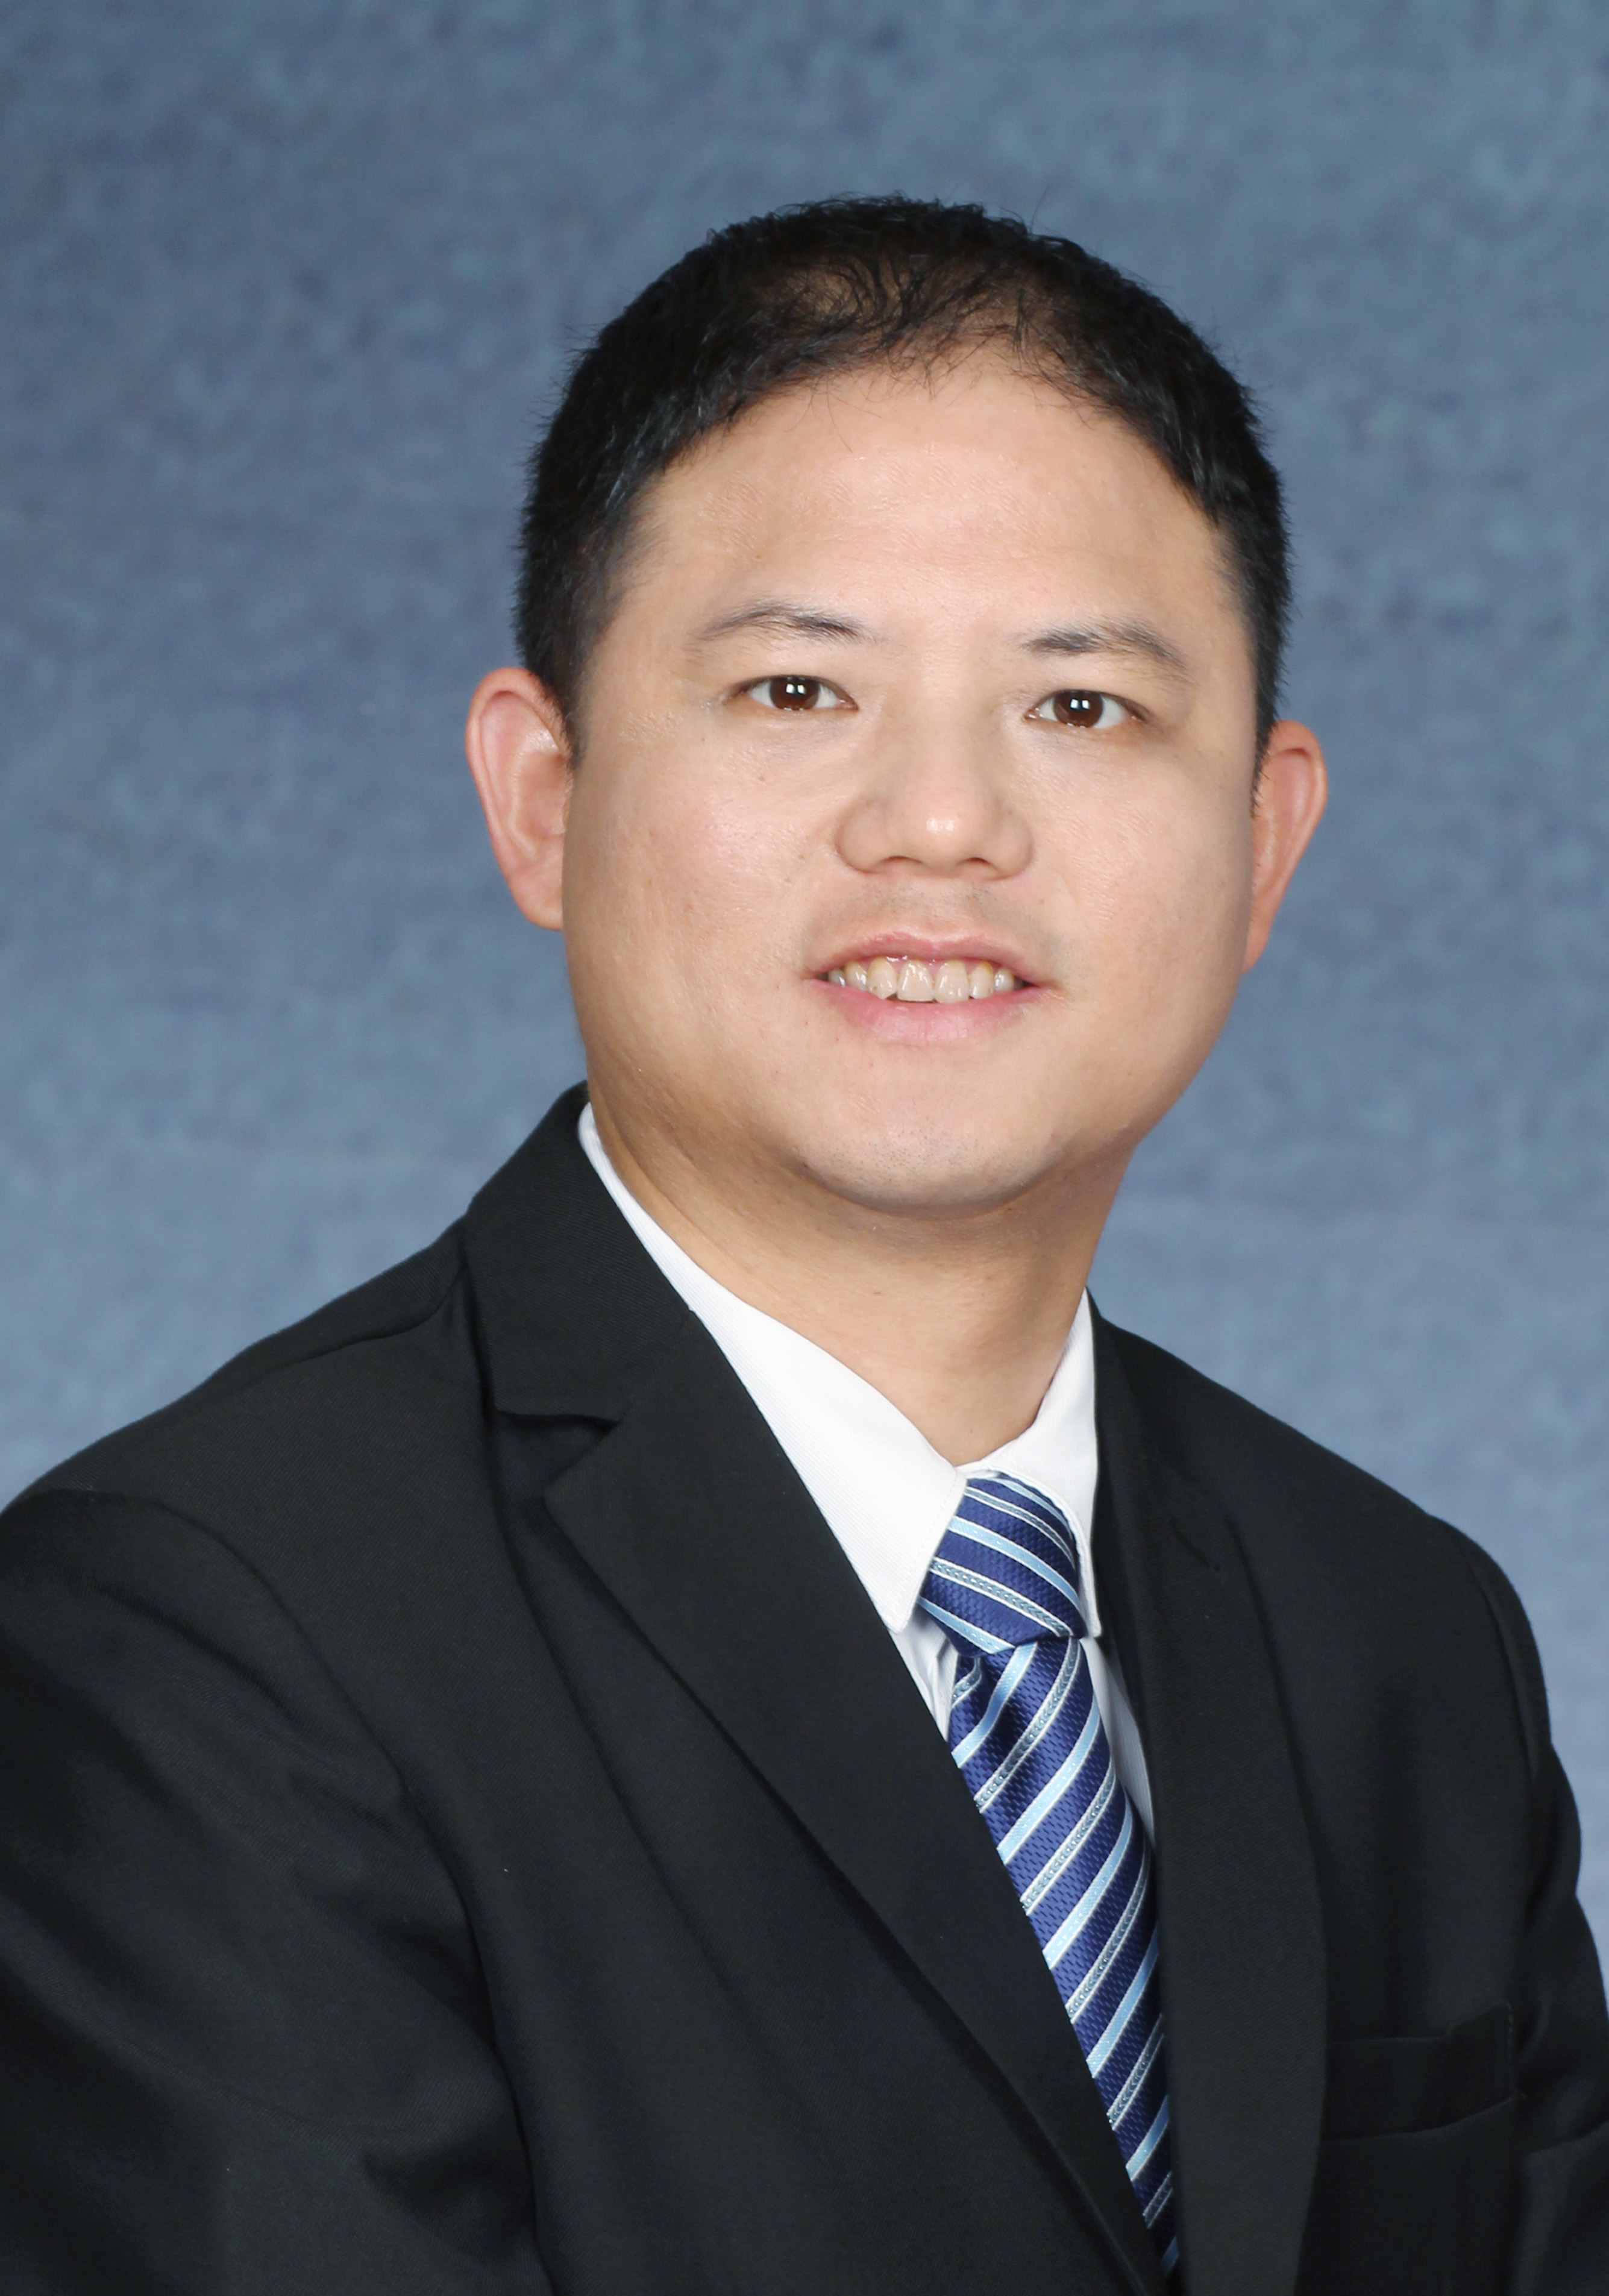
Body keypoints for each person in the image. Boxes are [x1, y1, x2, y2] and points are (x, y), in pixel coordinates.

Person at [1, 197, 1604, 2296]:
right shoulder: (203, 1638)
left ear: (1264, 841)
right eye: (795, 686)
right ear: (542, 796)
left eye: (1081, 707)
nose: (941, 821)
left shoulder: (1399, 1637)